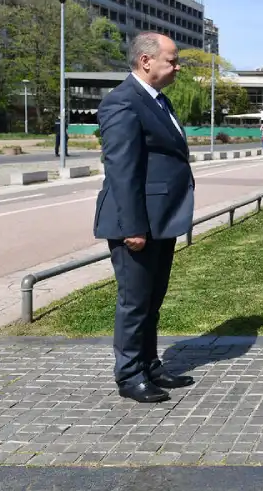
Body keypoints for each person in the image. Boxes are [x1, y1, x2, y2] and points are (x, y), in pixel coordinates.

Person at [94, 32, 196, 404]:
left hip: (161, 219)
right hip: (136, 222)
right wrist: (132, 227)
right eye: (172, 60)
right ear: (146, 61)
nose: (177, 66)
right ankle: (129, 374)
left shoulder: (156, 100)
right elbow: (122, 171)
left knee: (152, 299)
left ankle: (150, 364)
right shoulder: (123, 103)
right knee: (135, 301)